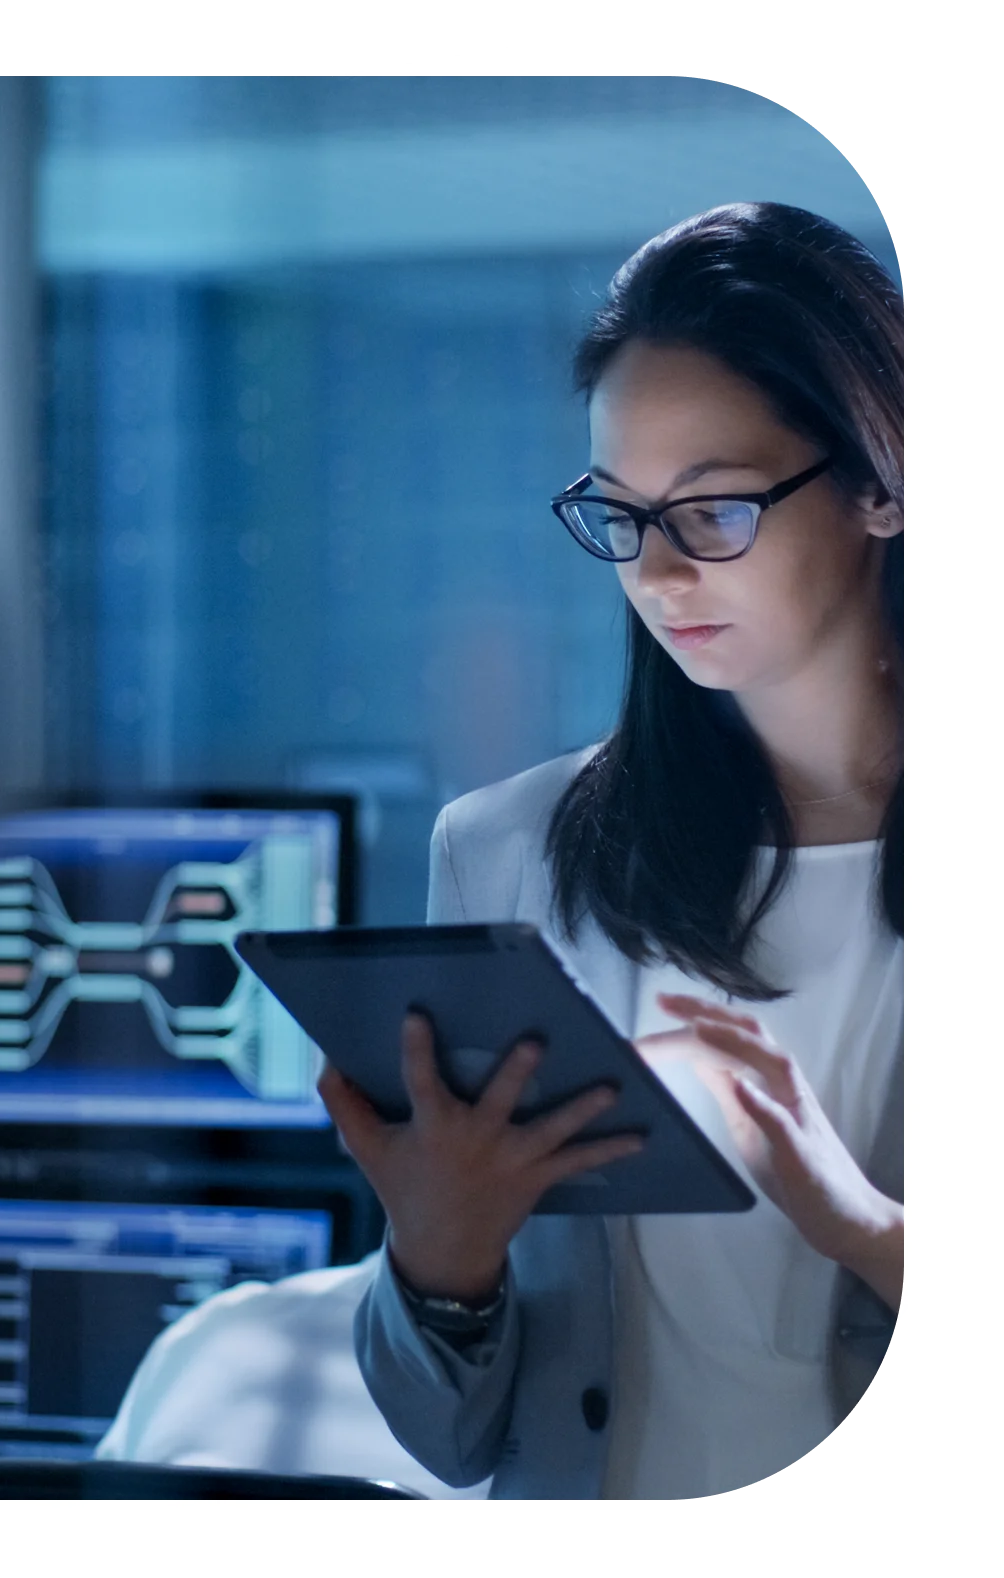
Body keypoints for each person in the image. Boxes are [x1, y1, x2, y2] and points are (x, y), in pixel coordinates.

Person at [317, 201, 905, 1502]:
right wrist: (439, 1263)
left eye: (713, 512)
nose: (658, 571)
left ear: (878, 479)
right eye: (619, 515)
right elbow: (448, 1438)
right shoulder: (507, 851)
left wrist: (862, 1226)